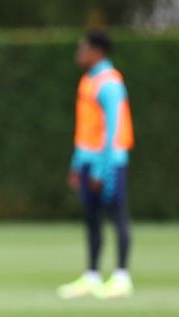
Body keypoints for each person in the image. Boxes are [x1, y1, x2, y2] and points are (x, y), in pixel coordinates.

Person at [59, 30, 135, 300]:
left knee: (117, 216)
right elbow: (85, 129)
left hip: (109, 163)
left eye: (84, 48)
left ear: (97, 51)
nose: (79, 53)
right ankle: (92, 275)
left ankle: (122, 276)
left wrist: (103, 169)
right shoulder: (88, 81)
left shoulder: (110, 82)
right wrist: (76, 163)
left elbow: (112, 130)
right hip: (87, 161)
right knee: (92, 220)